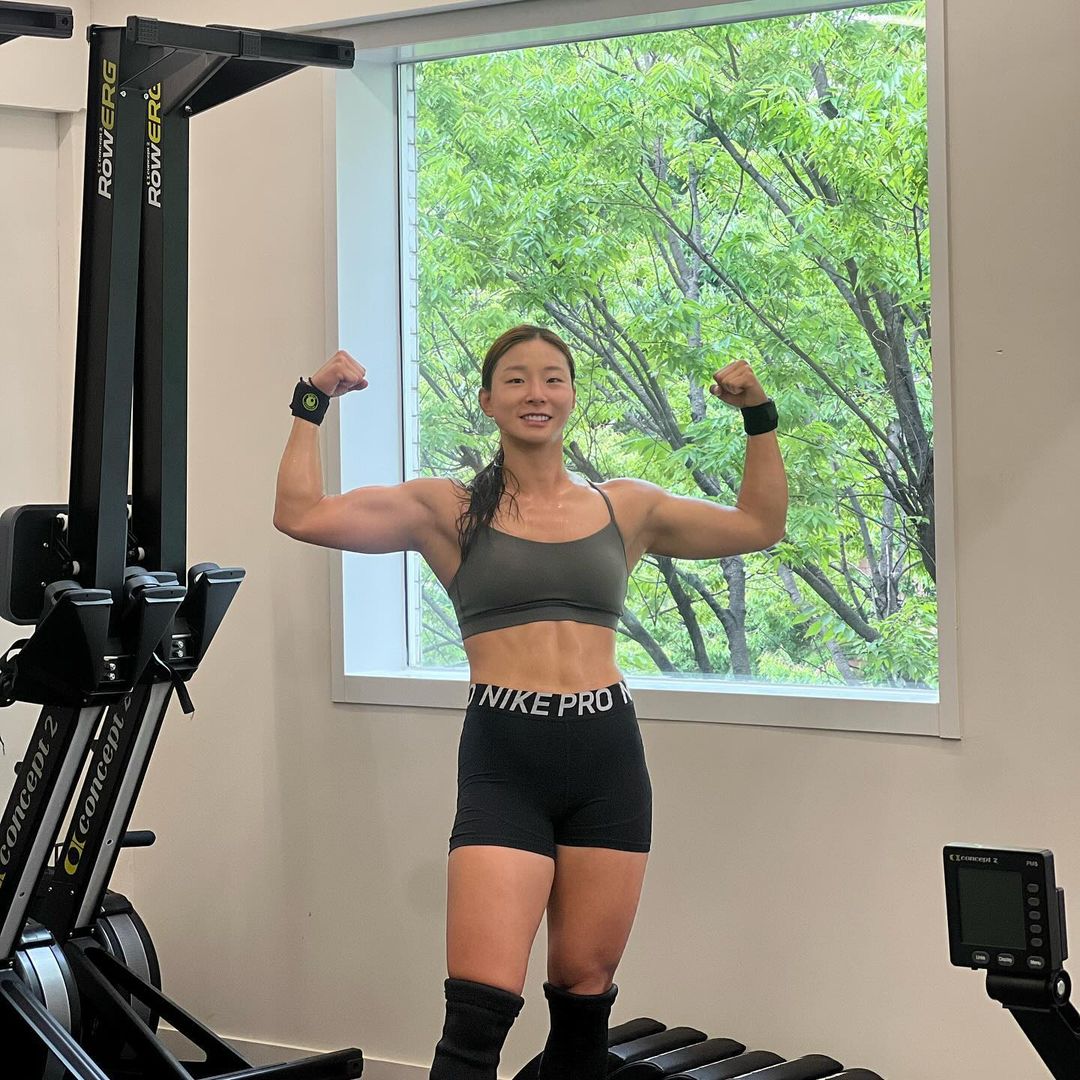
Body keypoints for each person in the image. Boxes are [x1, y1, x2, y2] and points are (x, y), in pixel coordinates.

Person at [274, 324, 787, 1080]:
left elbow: (760, 525)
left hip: (607, 758)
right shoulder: (447, 508)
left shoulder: (627, 508)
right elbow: (300, 514)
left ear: (572, 396)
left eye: (552, 378)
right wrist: (312, 400)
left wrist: (759, 416)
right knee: (478, 1013)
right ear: (488, 401)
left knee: (584, 995)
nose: (535, 393)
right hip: (506, 759)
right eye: (515, 379)